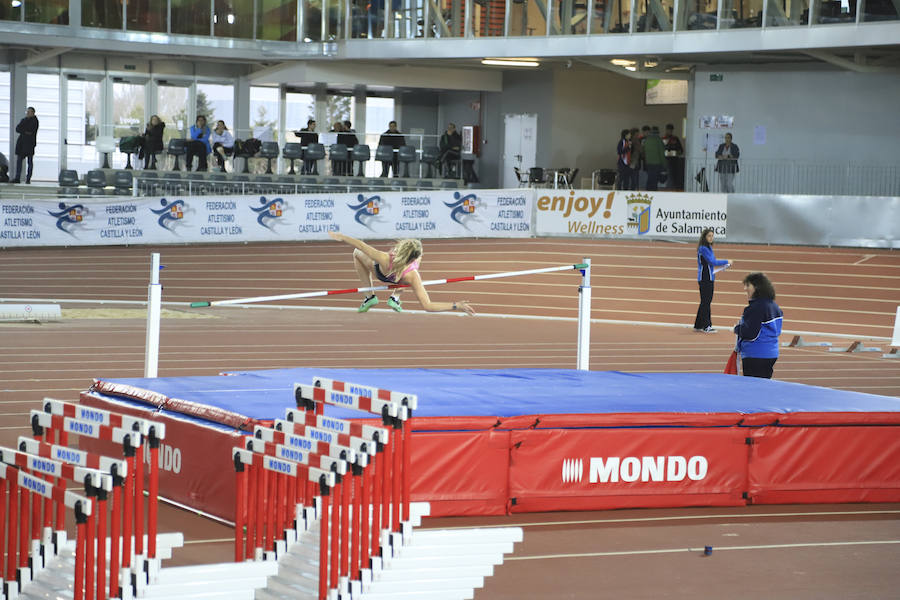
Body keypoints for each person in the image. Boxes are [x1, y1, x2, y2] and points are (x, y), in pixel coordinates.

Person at [328, 231, 475, 316]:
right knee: (410, 272)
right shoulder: (414, 274)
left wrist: (341, 236)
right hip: (401, 279)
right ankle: (396, 297)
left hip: (382, 272)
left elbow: (360, 245)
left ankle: (369, 297)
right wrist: (457, 306)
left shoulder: (385, 258)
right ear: (414, 257)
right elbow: (428, 306)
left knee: (356, 252)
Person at [734, 272, 783, 379]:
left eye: (748, 285)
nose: (745, 289)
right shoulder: (774, 306)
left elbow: (750, 333)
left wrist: (737, 329)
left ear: (757, 287)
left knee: (753, 389)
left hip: (756, 354)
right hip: (771, 353)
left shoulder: (755, 308)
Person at [694, 228, 732, 333]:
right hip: (705, 278)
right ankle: (707, 326)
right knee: (706, 302)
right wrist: (726, 261)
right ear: (704, 237)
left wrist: (723, 265)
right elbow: (712, 261)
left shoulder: (708, 248)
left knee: (705, 302)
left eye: (712, 236)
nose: (711, 238)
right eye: (709, 236)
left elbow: (712, 263)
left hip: (709, 277)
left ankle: (698, 325)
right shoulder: (703, 248)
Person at [12, 107, 39, 184]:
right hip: (21, 144)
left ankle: (28, 179)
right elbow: (17, 129)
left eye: (29, 112)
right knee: (19, 161)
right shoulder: (24, 120)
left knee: (30, 162)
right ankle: (17, 178)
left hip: (30, 144)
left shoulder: (35, 121)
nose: (27, 113)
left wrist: (23, 130)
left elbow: (30, 130)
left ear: (33, 113)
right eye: (27, 112)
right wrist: (25, 131)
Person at [642, 126, 666, 191]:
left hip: (648, 163)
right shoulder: (658, 140)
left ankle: (648, 192)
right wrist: (664, 165)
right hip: (657, 163)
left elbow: (644, 151)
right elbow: (662, 153)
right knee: (654, 181)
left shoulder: (647, 140)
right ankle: (654, 195)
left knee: (650, 179)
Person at [662, 123, 684, 190]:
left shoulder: (675, 138)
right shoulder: (663, 138)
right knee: (668, 176)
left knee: (674, 175)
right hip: (666, 160)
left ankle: (673, 188)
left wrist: (675, 153)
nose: (670, 131)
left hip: (674, 160)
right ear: (666, 130)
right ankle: (669, 189)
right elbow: (662, 150)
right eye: (668, 130)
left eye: (671, 130)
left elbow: (680, 150)